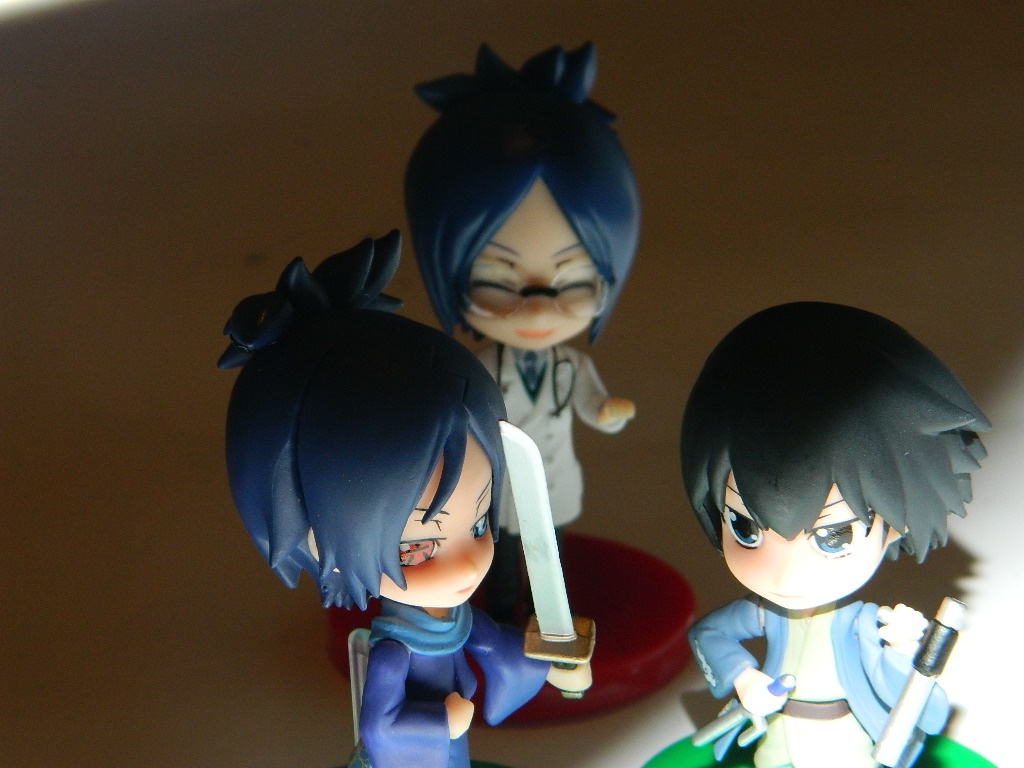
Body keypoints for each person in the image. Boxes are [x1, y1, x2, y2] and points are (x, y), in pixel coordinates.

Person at [218, 231, 588, 768]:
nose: (468, 562)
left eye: (479, 524)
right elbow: (379, 725)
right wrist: (441, 722)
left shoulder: (457, 620)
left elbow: (499, 649)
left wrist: (554, 663)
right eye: (415, 548)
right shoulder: (393, 654)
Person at [680, 302, 989, 768]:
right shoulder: (764, 615)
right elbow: (709, 634)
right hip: (778, 738)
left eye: (834, 536)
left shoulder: (865, 626)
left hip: (845, 743)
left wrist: (901, 652)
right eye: (745, 527)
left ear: (895, 525)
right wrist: (742, 677)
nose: (785, 575)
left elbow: (925, 710)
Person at [406, 42, 640, 620]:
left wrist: (607, 411)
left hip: (556, 480)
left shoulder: (570, 366)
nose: (536, 314)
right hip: (497, 487)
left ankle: (546, 614)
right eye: (496, 282)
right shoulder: (481, 367)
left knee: (549, 554)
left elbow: (591, 402)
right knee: (499, 555)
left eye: (573, 283)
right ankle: (503, 613)